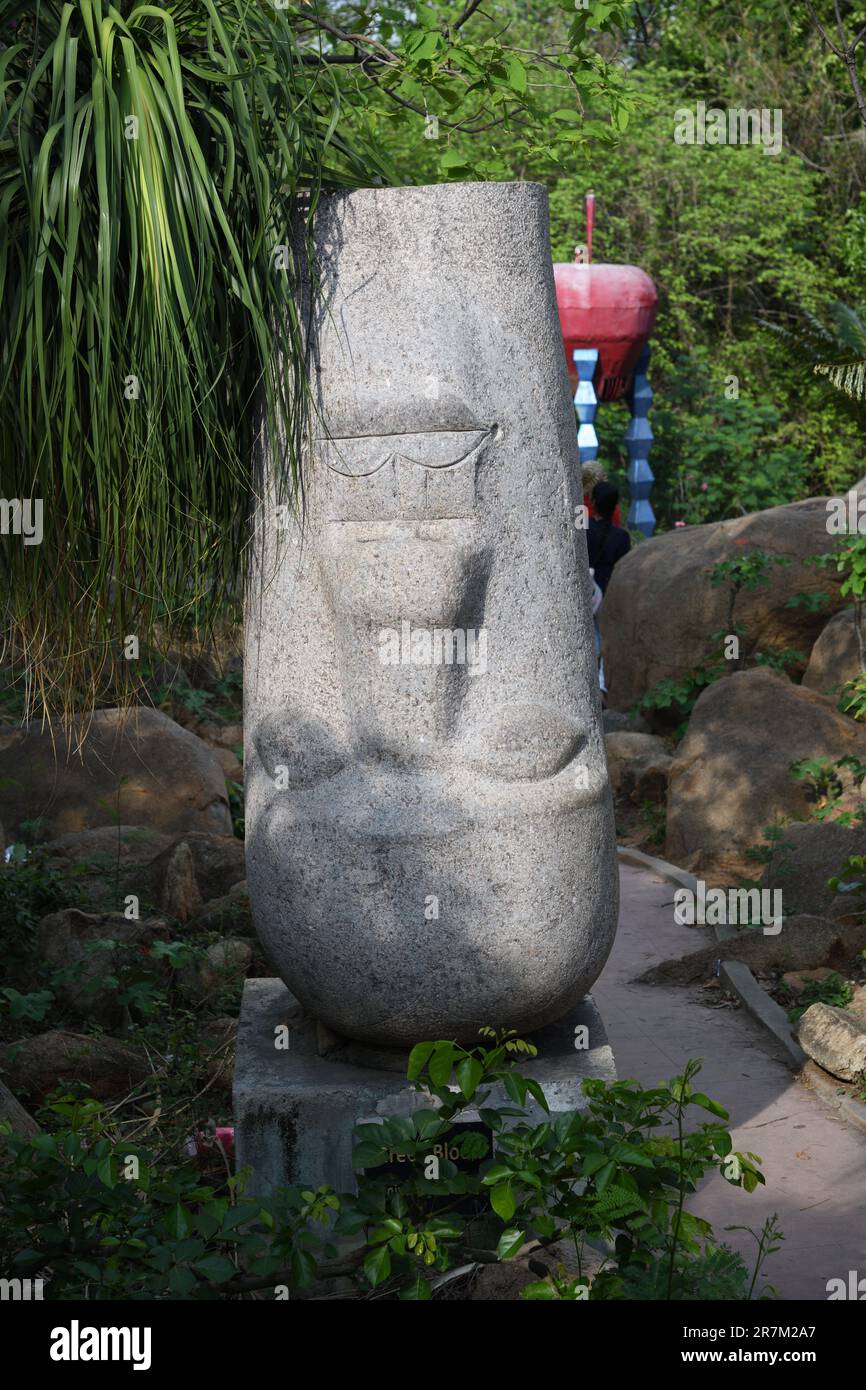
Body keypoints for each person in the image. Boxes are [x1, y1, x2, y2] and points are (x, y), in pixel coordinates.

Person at [586, 480, 630, 703]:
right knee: (603, 639)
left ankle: (589, 685)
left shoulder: (584, 530)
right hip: (609, 593)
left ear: (593, 503)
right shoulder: (621, 537)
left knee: (590, 638)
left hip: (586, 592)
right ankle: (602, 689)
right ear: (615, 506)